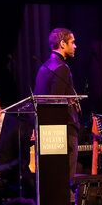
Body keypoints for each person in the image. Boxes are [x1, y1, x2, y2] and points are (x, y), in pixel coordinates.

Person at [34, 27, 80, 183]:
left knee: (53, 179)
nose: (75, 46)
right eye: (72, 42)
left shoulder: (44, 67)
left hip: (50, 131)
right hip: (64, 129)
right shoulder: (62, 68)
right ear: (62, 43)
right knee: (67, 178)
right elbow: (57, 103)